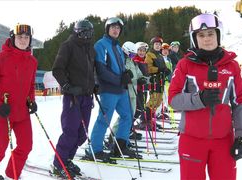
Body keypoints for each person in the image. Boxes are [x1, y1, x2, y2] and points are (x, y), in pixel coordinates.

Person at [168, 13, 242, 180]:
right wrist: (199, 99)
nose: (207, 39)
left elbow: (240, 103)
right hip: (192, 140)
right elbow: (173, 100)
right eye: (201, 35)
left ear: (218, 35)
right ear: (195, 38)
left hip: (223, 141)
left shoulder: (232, 66)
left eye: (211, 33)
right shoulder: (185, 65)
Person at [0, 24, 38, 180]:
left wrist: (31, 101)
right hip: (2, 113)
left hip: (22, 113)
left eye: (26, 37)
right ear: (13, 38)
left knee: (26, 146)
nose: (23, 40)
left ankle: (12, 174)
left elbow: (30, 86)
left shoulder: (32, 61)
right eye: (20, 37)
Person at [51, 19, 96, 178]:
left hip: (86, 96)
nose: (87, 35)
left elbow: (91, 71)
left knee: (82, 134)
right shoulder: (68, 46)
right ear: (77, 32)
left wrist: (94, 85)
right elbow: (57, 69)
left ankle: (67, 159)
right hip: (73, 97)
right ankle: (58, 163)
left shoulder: (90, 48)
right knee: (70, 132)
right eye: (84, 32)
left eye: (89, 32)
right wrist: (67, 86)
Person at [88, 17, 134, 160]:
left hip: (121, 89)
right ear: (107, 29)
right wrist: (120, 79)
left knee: (128, 116)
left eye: (118, 28)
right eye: (113, 27)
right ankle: (94, 150)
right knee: (104, 119)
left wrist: (126, 74)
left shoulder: (118, 47)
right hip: (108, 89)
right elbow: (101, 70)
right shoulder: (100, 45)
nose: (116, 30)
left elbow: (119, 68)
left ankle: (120, 145)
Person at [141, 36, 171, 130]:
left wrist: (166, 70)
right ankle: (145, 119)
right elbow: (148, 68)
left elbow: (163, 68)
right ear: (152, 45)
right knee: (153, 100)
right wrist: (159, 69)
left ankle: (151, 119)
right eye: (156, 44)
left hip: (160, 80)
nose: (158, 46)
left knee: (158, 100)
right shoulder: (149, 54)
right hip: (153, 79)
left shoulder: (160, 56)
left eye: (159, 44)